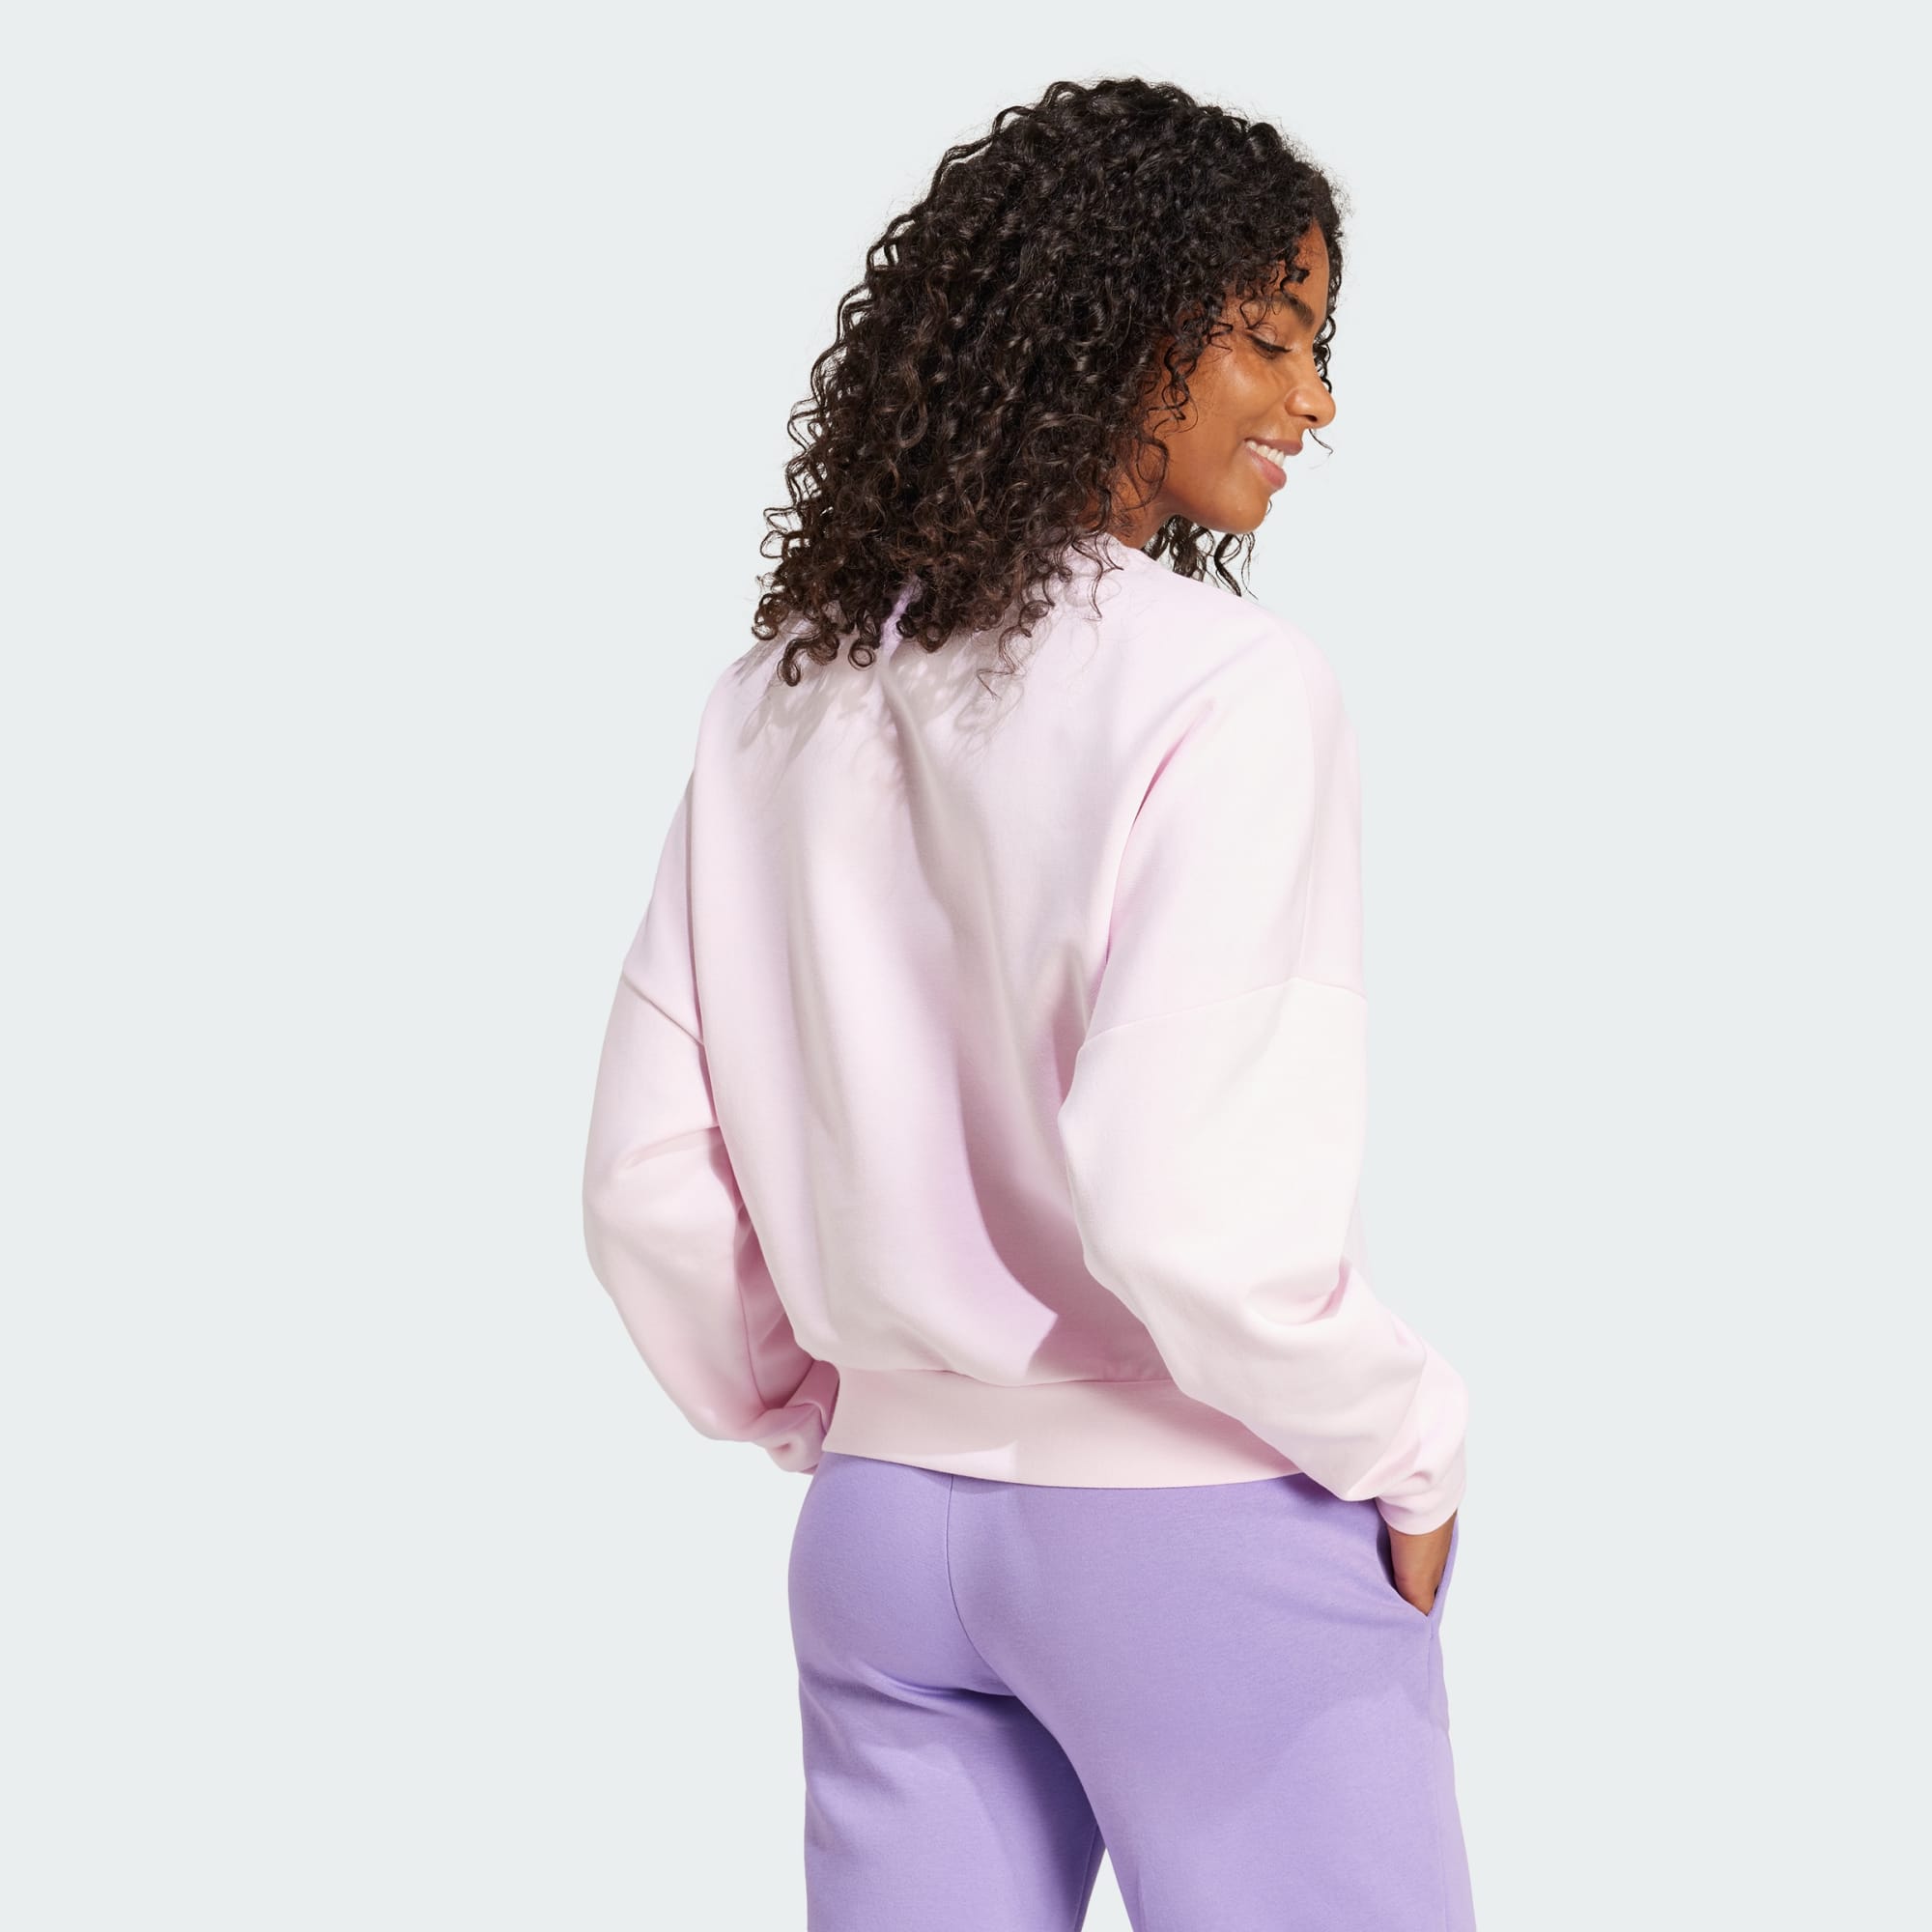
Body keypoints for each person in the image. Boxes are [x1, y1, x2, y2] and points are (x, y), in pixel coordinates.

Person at [582, 74, 1475, 1932]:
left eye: (1318, 351)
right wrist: (1409, 1445)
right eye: (1270, 339)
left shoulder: (781, 695)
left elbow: (650, 1185)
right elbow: (1187, 1215)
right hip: (1189, 1529)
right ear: (1124, 331)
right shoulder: (1228, 688)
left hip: (880, 1545)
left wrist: (849, 1408)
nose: (1313, 401)